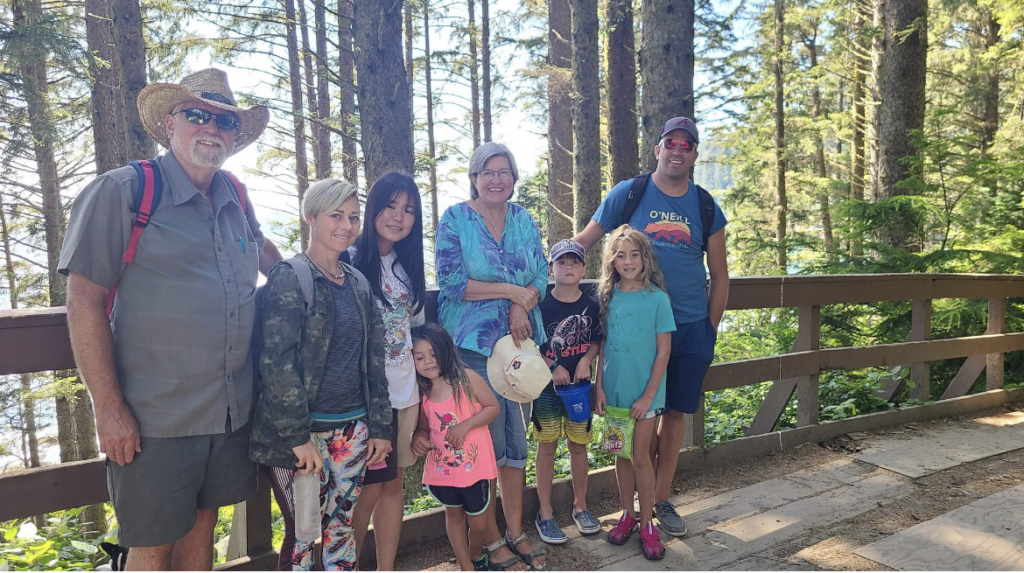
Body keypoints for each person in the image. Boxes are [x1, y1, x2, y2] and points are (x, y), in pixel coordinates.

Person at [59, 68, 282, 570]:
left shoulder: (235, 196)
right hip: (155, 417)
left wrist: (319, 275)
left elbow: (267, 256)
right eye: (197, 114)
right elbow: (84, 301)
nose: (212, 128)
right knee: (152, 544)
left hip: (229, 410)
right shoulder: (122, 191)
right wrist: (108, 408)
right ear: (170, 122)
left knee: (202, 527)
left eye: (225, 120)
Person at [575, 116, 729, 537]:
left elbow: (720, 274)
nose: (677, 150)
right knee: (629, 418)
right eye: (670, 143)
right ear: (658, 149)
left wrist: (709, 329)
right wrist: (548, 281)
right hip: (635, 336)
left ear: (694, 155)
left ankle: (659, 500)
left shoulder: (705, 206)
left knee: (674, 413)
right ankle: (632, 508)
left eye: (686, 145)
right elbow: (584, 241)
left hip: (690, 325)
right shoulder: (630, 192)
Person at [248, 178, 392, 571]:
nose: (347, 225)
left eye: (354, 217)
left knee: (341, 528)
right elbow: (276, 362)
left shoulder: (357, 282)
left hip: (353, 430)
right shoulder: (290, 276)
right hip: (299, 437)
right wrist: (298, 438)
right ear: (311, 217)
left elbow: (373, 360)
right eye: (336, 216)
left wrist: (380, 427)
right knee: (303, 532)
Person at [435, 141, 549, 571]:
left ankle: (515, 530)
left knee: (516, 443)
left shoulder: (523, 219)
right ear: (474, 178)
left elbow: (541, 272)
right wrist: (511, 292)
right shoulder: (455, 219)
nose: (496, 179)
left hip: (519, 349)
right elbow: (451, 284)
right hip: (471, 350)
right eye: (488, 172)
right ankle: (490, 538)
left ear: (514, 179)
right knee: (483, 444)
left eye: (504, 172)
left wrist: (523, 301)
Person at [349, 172, 427, 570]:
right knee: (362, 492)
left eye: (408, 210)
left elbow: (417, 332)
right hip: (363, 399)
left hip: (404, 394)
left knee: (393, 485)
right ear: (373, 208)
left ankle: (385, 567)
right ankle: (343, 564)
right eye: (391, 205)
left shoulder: (406, 266)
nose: (398, 217)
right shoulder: (348, 260)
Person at [594, 226, 675, 560]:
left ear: (645, 258)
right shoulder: (608, 297)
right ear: (611, 261)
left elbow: (663, 352)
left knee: (640, 456)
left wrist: (648, 396)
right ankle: (626, 513)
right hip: (615, 396)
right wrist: (599, 386)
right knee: (621, 454)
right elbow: (603, 346)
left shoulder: (657, 298)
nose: (628, 261)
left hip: (646, 397)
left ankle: (646, 523)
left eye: (634, 254)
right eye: (620, 255)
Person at [409, 323, 500, 571]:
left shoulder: (466, 379)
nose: (428, 361)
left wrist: (466, 426)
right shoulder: (422, 392)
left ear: (446, 350)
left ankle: (474, 554)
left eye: (433, 353)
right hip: (444, 472)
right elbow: (424, 427)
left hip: (475, 470)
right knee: (454, 516)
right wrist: (419, 437)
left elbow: (493, 407)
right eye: (419, 357)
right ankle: (466, 565)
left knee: (479, 524)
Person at [532, 239, 603, 545]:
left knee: (578, 445)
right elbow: (531, 344)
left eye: (575, 262)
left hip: (580, 389)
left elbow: (597, 340)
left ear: (584, 269)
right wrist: (553, 366)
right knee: (546, 446)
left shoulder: (592, 305)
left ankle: (581, 506)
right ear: (551, 269)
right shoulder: (540, 306)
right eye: (562, 262)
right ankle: (545, 513)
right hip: (546, 390)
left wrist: (586, 360)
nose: (569, 267)